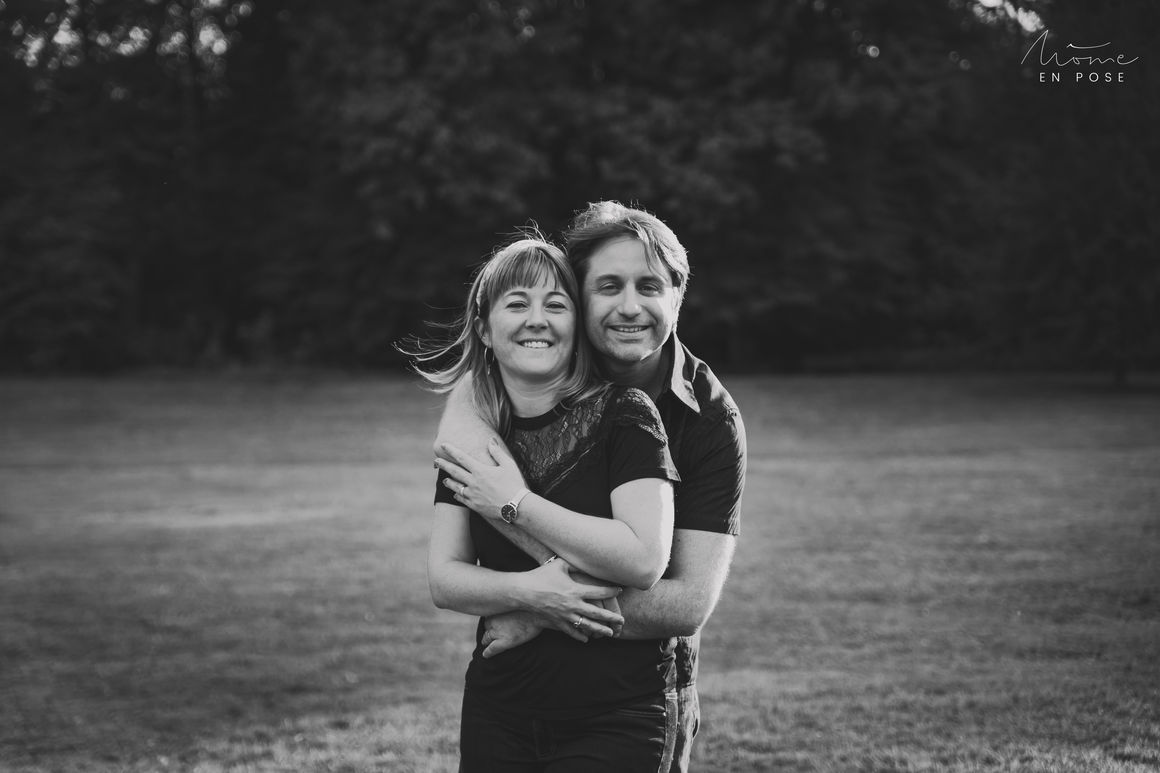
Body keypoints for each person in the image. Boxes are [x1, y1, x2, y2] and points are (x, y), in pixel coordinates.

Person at [435, 201, 747, 772]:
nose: (631, 307)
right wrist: (534, 591)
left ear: (677, 297)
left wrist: (542, 603)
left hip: (635, 695)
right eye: (608, 286)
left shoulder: (708, 420)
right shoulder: (531, 372)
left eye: (650, 286)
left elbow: (684, 603)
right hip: (512, 699)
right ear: (580, 300)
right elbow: (467, 403)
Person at [410, 234, 683, 771]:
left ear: (574, 325)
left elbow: (642, 558)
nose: (538, 319)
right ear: (485, 329)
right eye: (517, 304)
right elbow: (445, 580)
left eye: (555, 305)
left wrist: (512, 501)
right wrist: (531, 595)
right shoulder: (476, 439)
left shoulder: (625, 415)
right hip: (500, 709)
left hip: (618, 714)